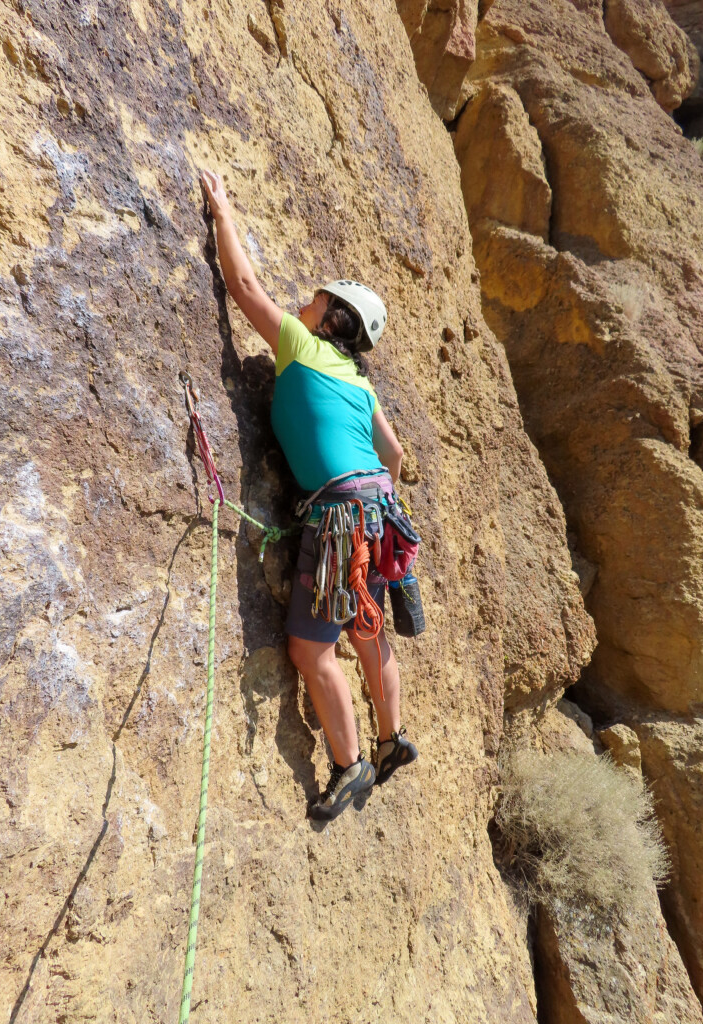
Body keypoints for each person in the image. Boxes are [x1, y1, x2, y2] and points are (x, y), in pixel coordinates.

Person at [200, 169, 418, 821]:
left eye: (316, 298)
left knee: (310, 648)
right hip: (380, 510)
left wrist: (222, 213)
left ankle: (350, 767)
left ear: (330, 316)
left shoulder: (298, 346)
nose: (305, 302)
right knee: (367, 622)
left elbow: (243, 288)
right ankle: (390, 738)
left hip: (343, 511)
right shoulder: (359, 380)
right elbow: (397, 457)